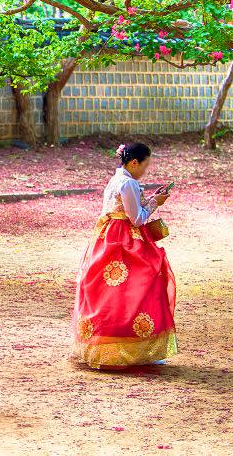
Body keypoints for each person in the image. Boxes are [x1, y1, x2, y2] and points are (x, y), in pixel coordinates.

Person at [69, 142, 178, 370]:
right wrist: (154, 205)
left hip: (107, 236)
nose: (145, 171)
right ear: (134, 162)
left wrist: (148, 201)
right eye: (145, 165)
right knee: (137, 287)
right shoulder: (128, 183)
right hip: (124, 239)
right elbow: (136, 218)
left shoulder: (117, 179)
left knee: (109, 291)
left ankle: (106, 345)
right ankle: (133, 346)